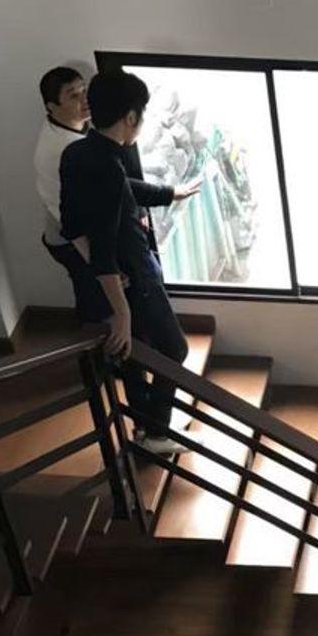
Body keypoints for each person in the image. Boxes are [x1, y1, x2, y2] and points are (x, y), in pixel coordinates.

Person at [60, 69, 199, 457]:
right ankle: (155, 432)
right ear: (131, 117)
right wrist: (121, 312)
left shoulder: (78, 152)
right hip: (135, 276)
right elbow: (105, 247)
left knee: (136, 353)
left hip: (119, 278)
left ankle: (148, 424)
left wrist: (168, 193)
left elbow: (73, 225)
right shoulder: (107, 165)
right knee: (174, 350)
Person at [35, 66, 98, 313]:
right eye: (73, 95)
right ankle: (94, 331)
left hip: (78, 230)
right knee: (95, 297)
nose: (84, 99)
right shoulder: (58, 152)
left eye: (84, 90)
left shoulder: (75, 127)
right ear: (52, 107)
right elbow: (65, 215)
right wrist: (95, 261)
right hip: (70, 241)